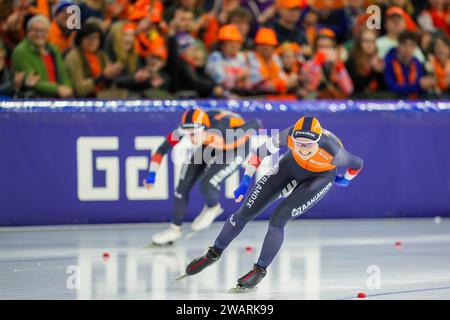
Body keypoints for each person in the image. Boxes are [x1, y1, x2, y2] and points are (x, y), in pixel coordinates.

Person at [181, 116, 363, 291]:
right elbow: (259, 152)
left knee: (278, 220)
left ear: (318, 141)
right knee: (244, 212)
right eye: (299, 143)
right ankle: (213, 253)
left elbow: (358, 163)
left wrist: (346, 179)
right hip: (290, 166)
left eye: (309, 145)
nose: (304, 148)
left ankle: (259, 270)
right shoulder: (287, 135)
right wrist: (245, 181)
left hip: (319, 178)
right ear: (293, 138)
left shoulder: (333, 152)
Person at [144, 108, 262, 246]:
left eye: (194, 134)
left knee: (208, 183)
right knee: (182, 185)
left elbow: (256, 123)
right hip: (210, 143)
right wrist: (152, 174)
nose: (191, 138)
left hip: (236, 147)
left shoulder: (225, 132)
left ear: (205, 128)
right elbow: (162, 150)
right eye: (187, 134)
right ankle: (174, 229)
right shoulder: (187, 129)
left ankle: (213, 207)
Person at [12, 15, 73, 98]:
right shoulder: (20, 51)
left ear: (48, 33)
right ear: (28, 32)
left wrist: (67, 87)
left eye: (43, 31)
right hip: (35, 99)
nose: (39, 34)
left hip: (58, 98)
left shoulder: (54, 49)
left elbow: (63, 73)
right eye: (35, 30)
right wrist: (57, 89)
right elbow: (31, 80)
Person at [65, 22, 126, 98]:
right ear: (81, 39)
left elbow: (111, 83)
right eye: (89, 38)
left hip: (102, 96)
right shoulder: (74, 56)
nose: (93, 41)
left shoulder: (102, 56)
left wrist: (114, 73)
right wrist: (103, 76)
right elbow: (80, 89)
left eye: (96, 38)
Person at [384, 31, 435, 99]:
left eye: (411, 45)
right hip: (394, 101)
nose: (408, 49)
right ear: (398, 45)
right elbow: (391, 87)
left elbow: (420, 85)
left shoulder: (417, 63)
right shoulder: (389, 62)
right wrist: (418, 86)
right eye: (404, 45)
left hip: (414, 102)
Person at [346, 27, 386, 97]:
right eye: (366, 41)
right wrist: (373, 70)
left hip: (375, 99)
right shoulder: (351, 61)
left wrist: (379, 72)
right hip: (357, 99)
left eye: (372, 41)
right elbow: (357, 88)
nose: (369, 45)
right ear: (359, 43)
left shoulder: (379, 61)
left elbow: (383, 87)